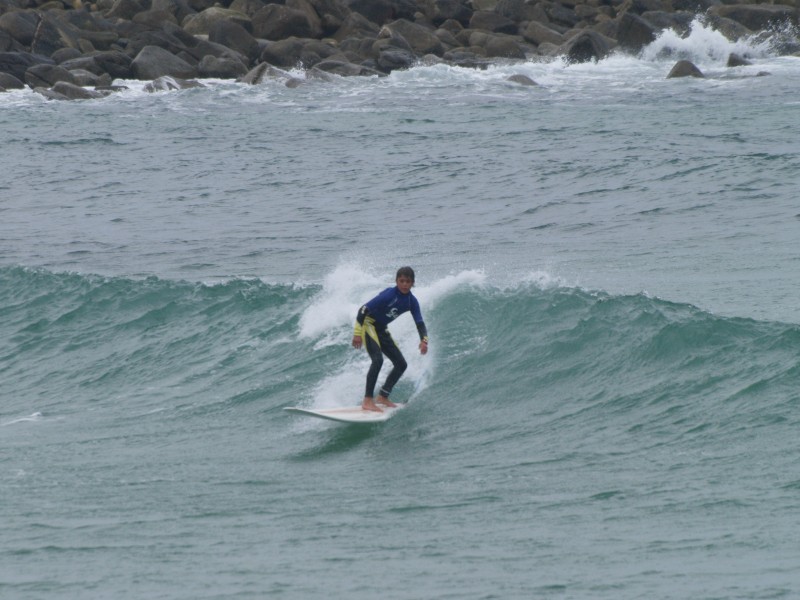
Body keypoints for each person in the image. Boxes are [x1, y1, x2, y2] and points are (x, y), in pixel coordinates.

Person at [352, 266, 429, 412]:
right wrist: (357, 334)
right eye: (402, 281)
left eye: (408, 281)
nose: (405, 284)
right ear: (396, 281)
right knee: (378, 360)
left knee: (401, 364)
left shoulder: (412, 301)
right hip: (368, 325)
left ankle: (382, 396)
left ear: (413, 283)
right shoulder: (389, 295)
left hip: (381, 329)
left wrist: (424, 340)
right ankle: (367, 400)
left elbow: (420, 322)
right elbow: (363, 310)